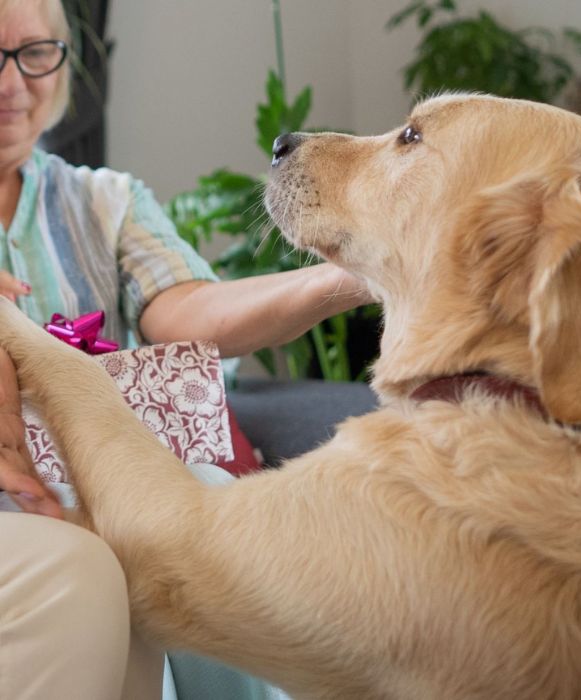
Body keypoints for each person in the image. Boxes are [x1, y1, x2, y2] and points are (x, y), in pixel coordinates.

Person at [0, 0, 370, 698]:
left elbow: (188, 311)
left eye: (36, 54)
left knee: (209, 502)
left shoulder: (104, 202)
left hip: (104, 478)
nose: (13, 84)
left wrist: (350, 273)